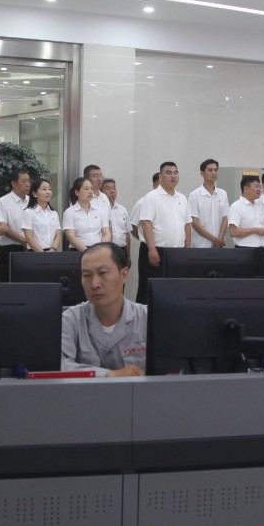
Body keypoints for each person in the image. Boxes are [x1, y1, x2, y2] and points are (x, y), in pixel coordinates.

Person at [60, 243, 147, 376]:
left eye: (103, 273)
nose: (94, 284)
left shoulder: (148, 318)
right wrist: (108, 375)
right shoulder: (70, 319)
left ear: (124, 274)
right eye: (87, 275)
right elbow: (59, 364)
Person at [136, 161, 194, 305]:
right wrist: (152, 249)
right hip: (156, 251)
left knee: (175, 290)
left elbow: (187, 225)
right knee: (150, 291)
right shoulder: (151, 197)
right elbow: (146, 223)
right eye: (168, 173)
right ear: (161, 176)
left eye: (175, 172)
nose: (173, 176)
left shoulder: (182, 198)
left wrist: (187, 250)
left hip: (177, 253)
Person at [0, 167, 34, 277]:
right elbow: (3, 226)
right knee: (9, 280)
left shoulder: (32, 201)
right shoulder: (3, 202)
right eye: (24, 181)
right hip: (10, 248)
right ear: (13, 183)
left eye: (29, 181)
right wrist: (23, 240)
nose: (28, 184)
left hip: (32, 247)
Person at [188, 158, 229, 247]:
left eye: (215, 170)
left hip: (218, 245)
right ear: (202, 173)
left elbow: (225, 219)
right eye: (210, 170)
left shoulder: (223, 194)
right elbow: (194, 222)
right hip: (201, 245)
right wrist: (214, 239)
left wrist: (219, 239)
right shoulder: (194, 195)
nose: (213, 173)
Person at [226, 174, 264, 248]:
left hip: (261, 249)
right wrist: (256, 230)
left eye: (260, 187)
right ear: (246, 189)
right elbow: (233, 232)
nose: (259, 189)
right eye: (256, 186)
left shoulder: (258, 206)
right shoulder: (236, 206)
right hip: (244, 249)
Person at [64, 175, 108, 250]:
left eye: (91, 189)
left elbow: (106, 233)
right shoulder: (70, 212)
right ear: (77, 192)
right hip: (78, 251)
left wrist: (101, 249)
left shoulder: (99, 211)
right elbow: (71, 237)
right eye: (86, 189)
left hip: (98, 250)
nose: (90, 192)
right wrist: (87, 252)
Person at [25, 177, 61, 252]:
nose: (48, 192)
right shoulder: (29, 212)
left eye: (49, 189)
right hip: (35, 252)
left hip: (52, 252)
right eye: (44, 189)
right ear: (35, 193)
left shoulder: (53, 213)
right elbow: (29, 237)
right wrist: (42, 253)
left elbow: (57, 235)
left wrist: (53, 249)